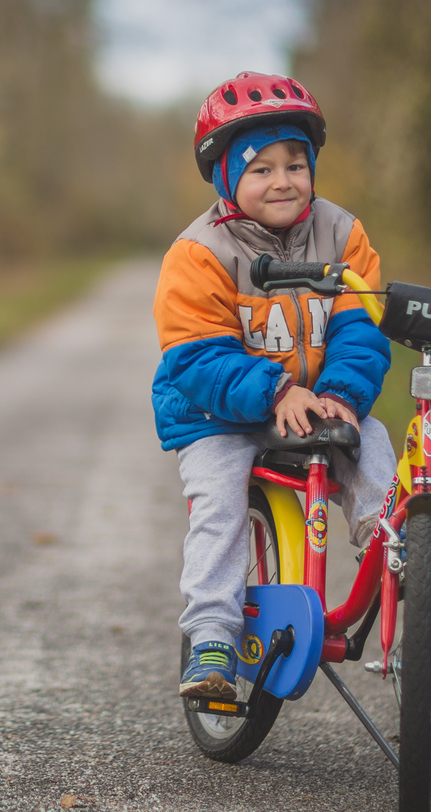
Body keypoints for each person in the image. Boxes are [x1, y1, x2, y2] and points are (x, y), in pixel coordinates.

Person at [153, 71, 399, 700]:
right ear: (227, 179)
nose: (283, 180)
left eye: (296, 163)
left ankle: (397, 550)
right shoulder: (199, 252)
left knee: (369, 441)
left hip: (314, 402)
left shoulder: (343, 234)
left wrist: (342, 391)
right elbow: (196, 353)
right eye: (260, 169)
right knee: (218, 500)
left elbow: (360, 327)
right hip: (219, 413)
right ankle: (211, 636)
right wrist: (274, 391)